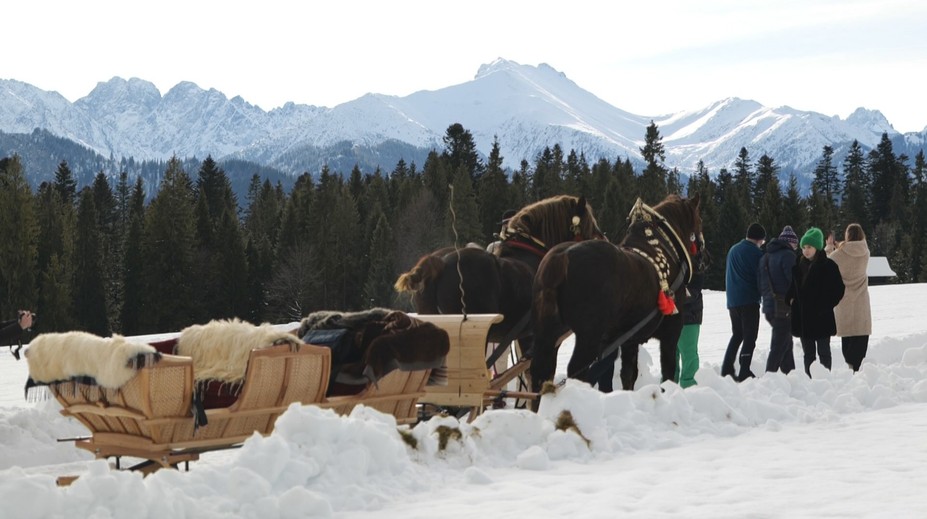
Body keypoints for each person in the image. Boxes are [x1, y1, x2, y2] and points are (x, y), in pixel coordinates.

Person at [787, 227, 844, 377]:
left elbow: (838, 290)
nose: (806, 250)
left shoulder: (829, 266)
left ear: (817, 247)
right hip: (803, 318)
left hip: (821, 318)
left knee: (824, 351)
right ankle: (809, 380)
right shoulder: (798, 266)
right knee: (808, 354)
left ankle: (825, 379)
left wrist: (825, 306)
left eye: (809, 247)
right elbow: (792, 288)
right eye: (804, 247)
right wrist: (791, 300)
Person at [722, 223, 766, 381]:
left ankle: (727, 367)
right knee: (750, 336)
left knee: (737, 334)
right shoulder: (756, 253)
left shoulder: (733, 249)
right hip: (748, 300)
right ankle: (745, 369)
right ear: (760, 239)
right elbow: (761, 277)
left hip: (732, 300)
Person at [827, 223, 871, 372]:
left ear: (847, 235)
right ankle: (858, 367)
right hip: (861, 301)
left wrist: (830, 247)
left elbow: (828, 263)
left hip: (844, 301)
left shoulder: (838, 255)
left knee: (847, 336)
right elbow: (853, 250)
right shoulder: (866, 252)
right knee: (860, 334)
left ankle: (851, 366)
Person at [760, 226, 799, 374]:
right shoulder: (788, 256)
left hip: (769, 306)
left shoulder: (766, 256)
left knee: (786, 343)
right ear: (790, 243)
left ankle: (790, 375)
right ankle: (769, 376)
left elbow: (761, 282)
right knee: (779, 345)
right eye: (795, 244)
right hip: (784, 307)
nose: (796, 247)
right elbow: (793, 281)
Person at [676, 247, 707, 388]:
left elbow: (691, 293)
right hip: (670, 318)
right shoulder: (671, 263)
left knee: (688, 355)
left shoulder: (696, 266)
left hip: (689, 317)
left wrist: (671, 296)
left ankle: (689, 388)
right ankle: (667, 388)